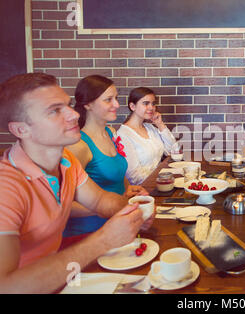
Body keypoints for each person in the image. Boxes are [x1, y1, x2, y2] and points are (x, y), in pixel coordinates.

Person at [0, 73, 154, 293]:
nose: (73, 114)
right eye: (54, 110)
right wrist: (103, 240)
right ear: (20, 130)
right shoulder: (6, 187)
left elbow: (101, 200)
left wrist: (134, 212)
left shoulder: (66, 160)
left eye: (68, 105)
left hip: (63, 277)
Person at [64, 75, 148, 237]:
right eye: (108, 100)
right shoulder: (79, 146)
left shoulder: (111, 132)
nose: (116, 104)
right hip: (89, 234)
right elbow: (64, 206)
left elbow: (116, 173)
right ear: (88, 104)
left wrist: (127, 189)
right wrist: (112, 205)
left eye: (116, 98)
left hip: (117, 225)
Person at [117, 87, 176, 185]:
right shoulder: (123, 135)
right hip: (143, 190)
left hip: (160, 183)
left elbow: (173, 150)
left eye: (153, 104)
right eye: (145, 103)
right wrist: (162, 177)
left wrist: (160, 124)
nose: (151, 108)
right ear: (132, 106)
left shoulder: (150, 128)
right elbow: (134, 177)